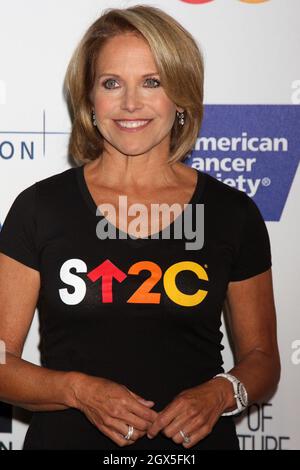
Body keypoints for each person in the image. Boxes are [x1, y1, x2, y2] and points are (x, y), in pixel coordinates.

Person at [0, 5, 280, 450]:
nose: (131, 103)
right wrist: (78, 390)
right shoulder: (40, 208)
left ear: (181, 95)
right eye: (112, 83)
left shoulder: (232, 213)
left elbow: (263, 361)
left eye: (152, 82)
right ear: (89, 99)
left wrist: (222, 392)